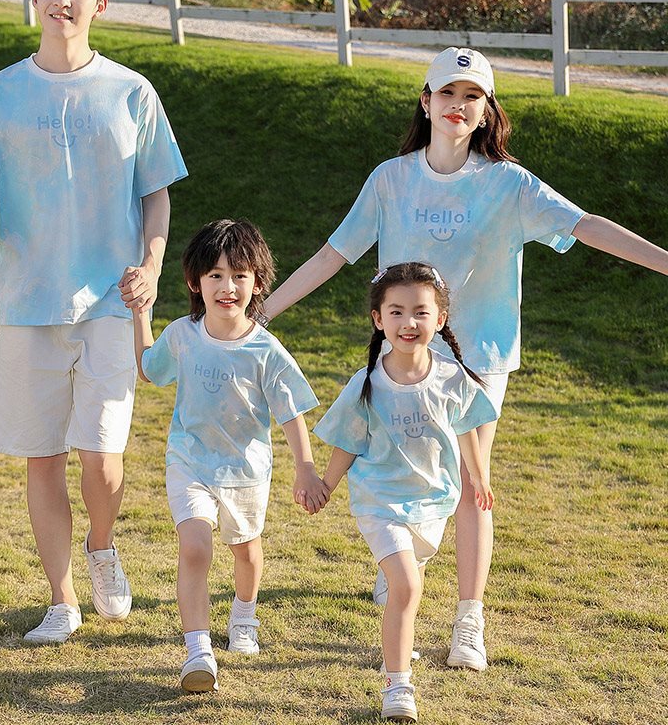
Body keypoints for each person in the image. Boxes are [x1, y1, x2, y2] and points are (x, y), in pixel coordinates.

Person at [261, 46, 668, 671]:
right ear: (426, 102)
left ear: (486, 110)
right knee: (401, 463)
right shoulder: (390, 178)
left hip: (479, 356)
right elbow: (333, 254)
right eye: (447, 93)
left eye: (472, 96)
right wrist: (263, 312)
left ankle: (468, 619)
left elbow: (585, 225)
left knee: (473, 480)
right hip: (406, 352)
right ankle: (403, 556)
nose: (458, 105)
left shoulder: (510, 184)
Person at [0, 0, 187, 644]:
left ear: (101, 3)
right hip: (27, 308)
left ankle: (101, 546)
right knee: (43, 457)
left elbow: (156, 194)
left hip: (110, 304)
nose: (62, 0)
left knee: (103, 458)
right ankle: (61, 602)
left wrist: (152, 266)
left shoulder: (132, 93)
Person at [132, 219, 328, 693]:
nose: (227, 286)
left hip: (245, 471)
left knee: (246, 551)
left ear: (257, 283)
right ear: (195, 282)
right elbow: (150, 370)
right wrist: (141, 314)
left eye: (239, 275)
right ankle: (198, 651)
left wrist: (305, 468)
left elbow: (291, 413)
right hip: (189, 461)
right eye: (215, 275)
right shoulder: (182, 335)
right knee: (195, 546)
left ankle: (244, 615)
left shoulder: (266, 350)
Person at [311, 262, 496, 722]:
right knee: (407, 585)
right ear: (378, 319)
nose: (408, 322)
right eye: (396, 312)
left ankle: (398, 642)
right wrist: (326, 485)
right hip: (380, 503)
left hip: (432, 502)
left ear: (440, 318)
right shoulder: (367, 384)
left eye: (420, 312)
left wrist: (478, 477)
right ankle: (398, 687)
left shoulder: (452, 377)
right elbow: (348, 441)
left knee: (408, 585)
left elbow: (467, 427)